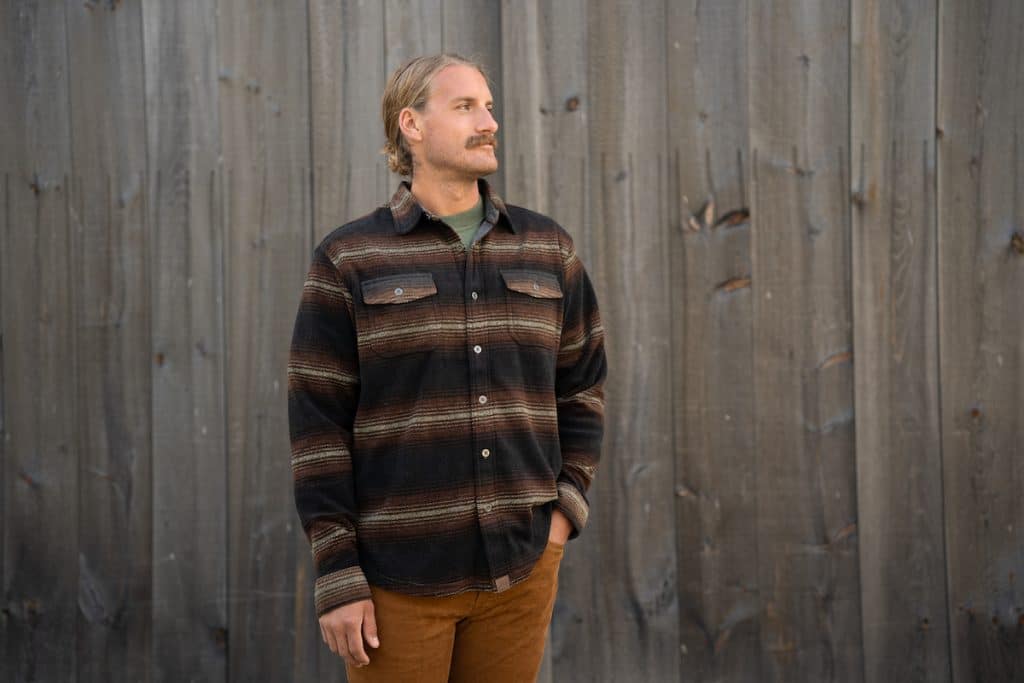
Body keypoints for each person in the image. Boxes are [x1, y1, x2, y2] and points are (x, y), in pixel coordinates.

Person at [288, 52, 607, 682]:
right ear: (411, 124)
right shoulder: (350, 258)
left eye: (489, 106)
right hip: (395, 582)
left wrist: (562, 514)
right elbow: (316, 427)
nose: (488, 121)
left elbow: (583, 386)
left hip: (520, 570)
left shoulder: (547, 249)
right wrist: (338, 572)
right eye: (465, 107)